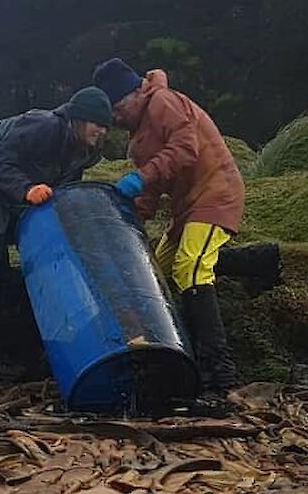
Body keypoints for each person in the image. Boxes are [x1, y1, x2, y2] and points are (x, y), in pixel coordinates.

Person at [0, 87, 113, 382]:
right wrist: (25, 189)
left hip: (3, 194)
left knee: (38, 259)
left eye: (106, 125)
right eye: (97, 123)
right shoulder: (44, 126)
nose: (102, 131)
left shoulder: (86, 152)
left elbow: (67, 189)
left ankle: (28, 350)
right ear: (79, 119)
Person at [92, 57, 245, 392]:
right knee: (155, 274)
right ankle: (165, 358)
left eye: (118, 109)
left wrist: (141, 177)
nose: (116, 119)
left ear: (133, 93)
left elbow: (184, 150)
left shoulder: (164, 102)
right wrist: (131, 220)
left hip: (214, 195)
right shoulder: (137, 137)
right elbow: (151, 188)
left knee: (190, 269)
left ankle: (218, 369)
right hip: (184, 210)